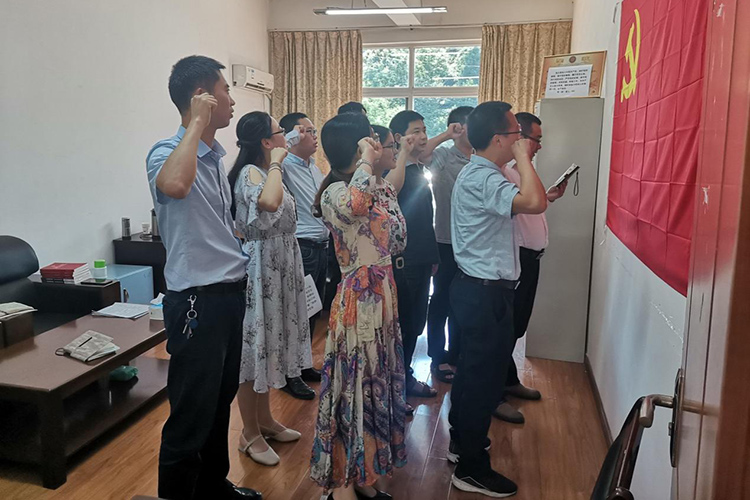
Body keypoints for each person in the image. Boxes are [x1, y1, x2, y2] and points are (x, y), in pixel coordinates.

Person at [146, 55, 261, 499]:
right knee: (191, 412)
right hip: (196, 300)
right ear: (202, 97)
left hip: (228, 295)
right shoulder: (165, 152)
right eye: (225, 90)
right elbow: (175, 186)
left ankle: (212, 486)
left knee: (218, 403)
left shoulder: (214, 158)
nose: (232, 100)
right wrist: (195, 124)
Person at [447, 101, 547, 498]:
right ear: (498, 139)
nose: (521, 139)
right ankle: (470, 468)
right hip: (483, 293)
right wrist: (524, 158)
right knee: (482, 382)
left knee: (474, 375)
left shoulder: (487, 173)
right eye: (515, 134)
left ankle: (462, 443)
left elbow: (530, 201)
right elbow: (535, 202)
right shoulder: (484, 177)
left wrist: (520, 160)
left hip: (481, 290)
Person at [310, 113, 408, 500]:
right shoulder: (335, 192)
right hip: (359, 299)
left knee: (376, 383)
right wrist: (367, 162)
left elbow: (398, 238)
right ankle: (342, 484)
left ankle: (363, 474)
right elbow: (354, 206)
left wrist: (375, 172)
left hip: (383, 292)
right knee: (354, 385)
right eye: (372, 139)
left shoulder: (377, 187)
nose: (380, 145)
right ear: (358, 147)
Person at [227, 111, 312, 466]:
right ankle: (249, 433)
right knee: (255, 350)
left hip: (281, 263)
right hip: (262, 267)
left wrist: (279, 159)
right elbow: (268, 203)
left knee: (270, 346)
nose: (286, 136)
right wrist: (276, 163)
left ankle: (264, 421)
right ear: (265, 141)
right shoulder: (252, 172)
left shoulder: (265, 170)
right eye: (280, 132)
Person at [493, 111, 568, 424]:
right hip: (517, 258)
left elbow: (531, 204)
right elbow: (524, 205)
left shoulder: (519, 170)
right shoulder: (503, 171)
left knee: (517, 325)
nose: (539, 146)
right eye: (535, 139)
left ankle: (508, 379)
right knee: (505, 328)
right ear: (519, 137)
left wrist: (548, 196)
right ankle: (494, 394)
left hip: (530, 259)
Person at [418, 106, 474, 383]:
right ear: (459, 127)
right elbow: (422, 154)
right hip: (446, 241)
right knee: (441, 301)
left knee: (465, 303)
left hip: (474, 244)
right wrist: (446, 134)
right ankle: (437, 357)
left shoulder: (481, 158)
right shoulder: (443, 155)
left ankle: (458, 353)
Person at [387, 110, 439, 398]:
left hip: (421, 256)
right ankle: (399, 382)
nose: (423, 136)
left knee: (416, 321)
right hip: (404, 259)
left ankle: (402, 377)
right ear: (398, 138)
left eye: (424, 130)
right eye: (416, 131)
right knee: (405, 323)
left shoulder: (418, 167)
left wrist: (432, 256)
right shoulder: (395, 171)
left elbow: (423, 219)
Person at [277, 111, 327, 400]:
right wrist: (290, 138)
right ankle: (290, 374)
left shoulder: (314, 168)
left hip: (321, 247)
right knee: (296, 312)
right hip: (302, 246)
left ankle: (304, 364)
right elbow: (273, 155)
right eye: (306, 131)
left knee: (312, 310)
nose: (314, 135)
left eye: (314, 130)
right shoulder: (283, 166)